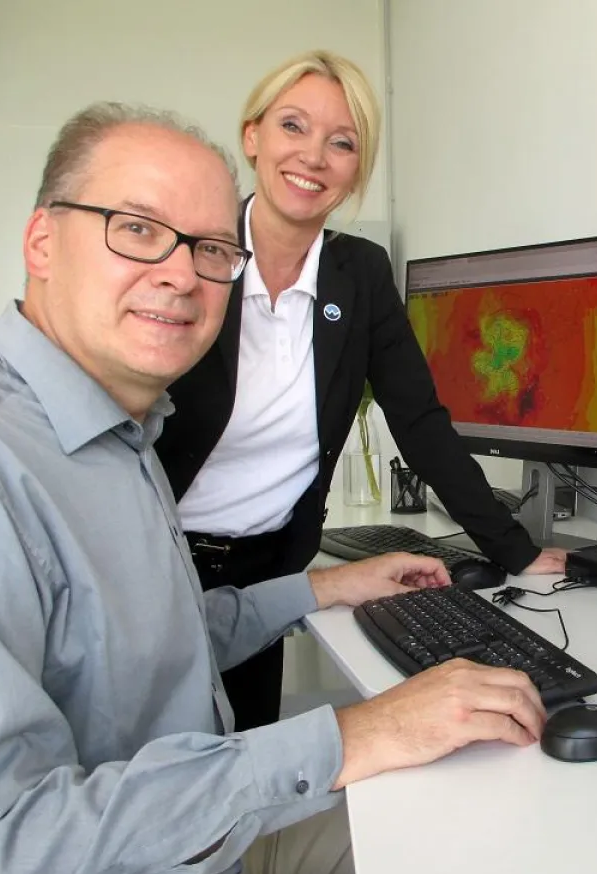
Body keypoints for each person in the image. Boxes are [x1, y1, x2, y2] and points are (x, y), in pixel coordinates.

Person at [0, 102, 546, 874]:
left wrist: (323, 588)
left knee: (493, 800)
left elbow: (141, 652)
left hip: (192, 848)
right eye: (137, 229)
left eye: (213, 249)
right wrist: (351, 736)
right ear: (42, 241)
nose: (182, 274)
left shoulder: (121, 427)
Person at [155, 50, 566, 731]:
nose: (314, 156)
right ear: (252, 137)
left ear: (355, 171)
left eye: (341, 142)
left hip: (269, 572)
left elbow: (420, 420)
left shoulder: (361, 273)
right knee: (148, 768)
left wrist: (514, 550)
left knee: (246, 758)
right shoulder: (192, 253)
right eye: (293, 126)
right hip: (160, 561)